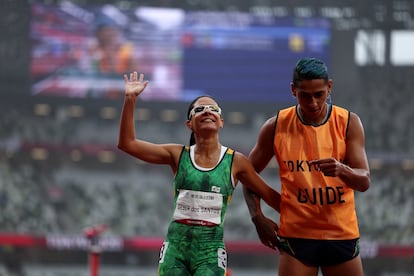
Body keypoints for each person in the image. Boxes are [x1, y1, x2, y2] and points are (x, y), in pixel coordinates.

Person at [117, 72, 281, 275]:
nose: (207, 112)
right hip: (175, 248)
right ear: (189, 123)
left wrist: (302, 219)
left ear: (221, 121)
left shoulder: (235, 161)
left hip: (210, 250)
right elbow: (127, 144)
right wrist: (130, 100)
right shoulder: (177, 155)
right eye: (200, 109)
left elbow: (269, 194)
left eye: (213, 109)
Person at [243, 57, 370, 276]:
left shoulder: (349, 122)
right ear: (293, 90)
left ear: (329, 87)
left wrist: (342, 169)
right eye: (305, 96)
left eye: (319, 94)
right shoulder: (276, 126)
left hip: (341, 234)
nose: (313, 103)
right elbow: (247, 174)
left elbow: (364, 181)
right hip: (296, 237)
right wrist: (257, 218)